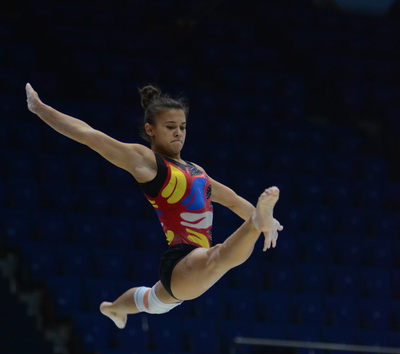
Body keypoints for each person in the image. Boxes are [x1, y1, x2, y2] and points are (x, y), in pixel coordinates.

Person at [25, 83, 283, 328]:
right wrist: (40, 108)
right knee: (218, 257)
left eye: (182, 126)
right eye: (170, 126)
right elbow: (88, 135)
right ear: (151, 130)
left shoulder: (197, 171)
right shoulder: (147, 162)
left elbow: (234, 200)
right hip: (183, 257)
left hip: (185, 271)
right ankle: (254, 224)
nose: (178, 132)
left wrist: (267, 222)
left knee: (154, 302)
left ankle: (113, 308)